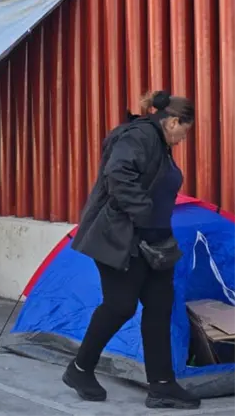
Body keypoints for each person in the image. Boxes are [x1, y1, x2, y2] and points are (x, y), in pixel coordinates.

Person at [63, 91, 199, 410]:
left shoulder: (159, 143)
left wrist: (153, 225)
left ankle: (162, 385)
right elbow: (117, 174)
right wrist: (143, 214)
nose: (183, 140)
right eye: (184, 132)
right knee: (120, 306)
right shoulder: (139, 135)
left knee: (159, 306)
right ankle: (80, 369)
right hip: (123, 238)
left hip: (155, 242)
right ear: (174, 121)